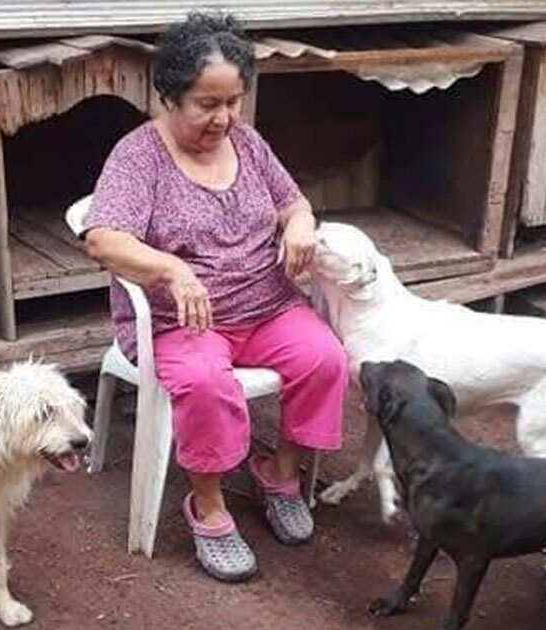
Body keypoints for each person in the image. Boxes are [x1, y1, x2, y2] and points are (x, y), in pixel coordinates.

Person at [81, 12, 348, 582]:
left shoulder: (248, 143)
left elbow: (292, 202)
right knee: (205, 384)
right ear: (170, 96)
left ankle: (278, 472)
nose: (224, 118)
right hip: (183, 321)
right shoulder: (138, 157)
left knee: (324, 358)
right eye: (207, 104)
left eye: (234, 102)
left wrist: (300, 223)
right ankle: (209, 505)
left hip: (266, 305)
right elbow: (103, 239)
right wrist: (170, 269)